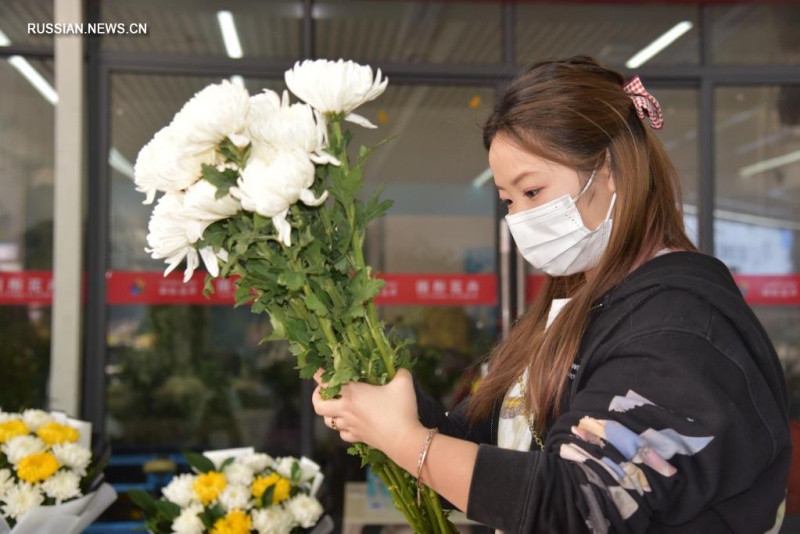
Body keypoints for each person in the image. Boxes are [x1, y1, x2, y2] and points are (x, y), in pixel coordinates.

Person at [312, 56, 791, 533]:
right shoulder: (575, 308)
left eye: (533, 192)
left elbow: (577, 505)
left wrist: (405, 439)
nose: (519, 218)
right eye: (507, 200)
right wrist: (387, 410)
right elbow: (489, 453)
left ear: (610, 170)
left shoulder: (679, 327)